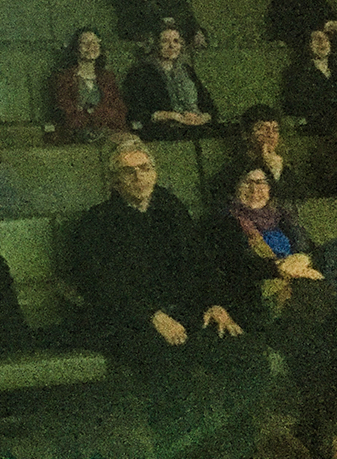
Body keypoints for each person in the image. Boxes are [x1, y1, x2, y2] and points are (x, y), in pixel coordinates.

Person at [70, 140, 267, 448]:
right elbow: (105, 286)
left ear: (155, 173)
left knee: (244, 352)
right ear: (115, 181)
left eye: (145, 168)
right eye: (129, 171)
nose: (139, 177)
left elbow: (201, 264)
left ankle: (238, 447)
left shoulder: (171, 210)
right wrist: (154, 316)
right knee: (171, 371)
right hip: (134, 322)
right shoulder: (97, 223)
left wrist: (215, 303)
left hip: (186, 312)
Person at [207, 166, 337, 459]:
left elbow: (315, 251)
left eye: (263, 182)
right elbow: (231, 269)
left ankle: (319, 419)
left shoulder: (285, 218)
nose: (257, 188)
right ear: (235, 187)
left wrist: (303, 257)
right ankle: (315, 427)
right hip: (260, 308)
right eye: (249, 182)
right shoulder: (224, 223)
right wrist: (278, 268)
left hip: (301, 304)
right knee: (317, 349)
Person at [122, 26, 218, 140]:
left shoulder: (186, 70)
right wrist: (172, 116)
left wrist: (202, 118)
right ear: (156, 44)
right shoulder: (141, 73)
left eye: (176, 41)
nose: (171, 46)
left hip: (195, 125)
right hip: (164, 130)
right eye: (165, 41)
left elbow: (209, 106)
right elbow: (137, 112)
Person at [208, 105, 307, 207]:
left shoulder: (282, 168)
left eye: (275, 130)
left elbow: (295, 202)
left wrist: (277, 173)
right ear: (246, 134)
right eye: (263, 129)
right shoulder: (233, 171)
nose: (271, 135)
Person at [49, 27, 129, 143]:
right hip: (77, 135)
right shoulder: (65, 78)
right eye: (85, 43)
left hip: (108, 132)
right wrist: (99, 115)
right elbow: (68, 116)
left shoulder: (107, 78)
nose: (91, 47)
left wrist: (91, 112)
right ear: (76, 48)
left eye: (95, 42)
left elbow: (119, 112)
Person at [282, 29, 337, 135]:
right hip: (316, 124)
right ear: (307, 45)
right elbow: (296, 104)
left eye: (325, 39)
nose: (322, 43)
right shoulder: (296, 73)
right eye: (316, 40)